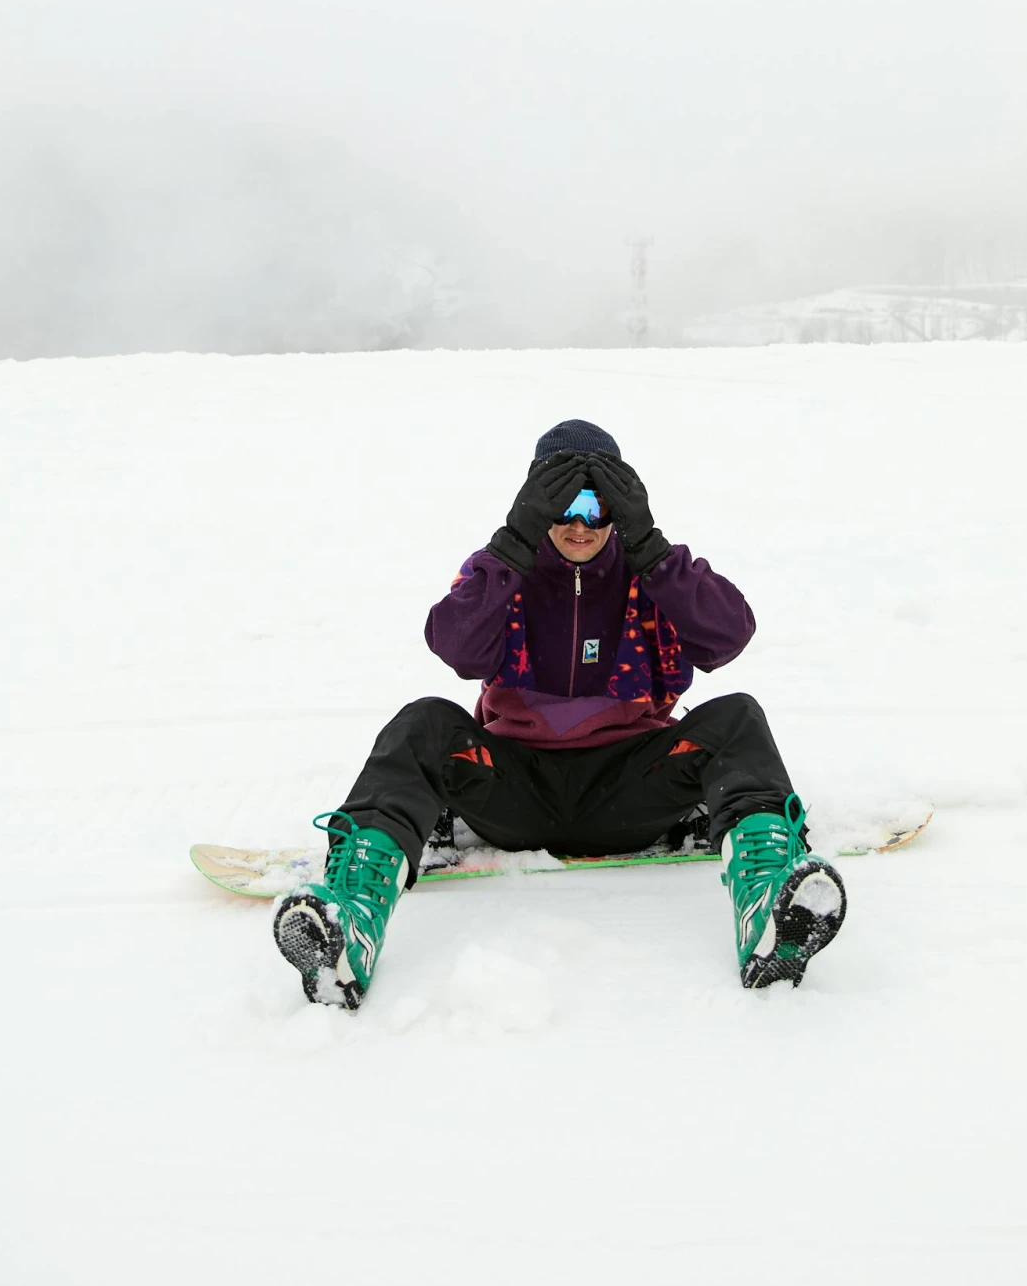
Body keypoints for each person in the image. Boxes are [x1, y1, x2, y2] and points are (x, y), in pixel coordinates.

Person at [273, 417, 847, 1008]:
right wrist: (514, 545)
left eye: (597, 506)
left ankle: (768, 906)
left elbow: (728, 636)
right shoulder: (499, 570)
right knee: (423, 721)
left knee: (738, 717)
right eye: (562, 504)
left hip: (633, 785)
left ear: (621, 507)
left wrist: (648, 545)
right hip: (513, 786)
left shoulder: (652, 570)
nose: (579, 523)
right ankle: (353, 921)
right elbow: (456, 647)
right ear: (534, 505)